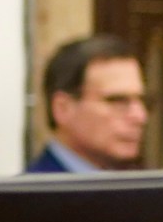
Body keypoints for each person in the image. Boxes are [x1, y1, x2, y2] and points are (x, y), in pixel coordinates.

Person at [27, 35, 146, 173]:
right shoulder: (32, 192)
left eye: (143, 101)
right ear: (63, 109)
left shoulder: (133, 187)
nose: (140, 116)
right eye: (117, 100)